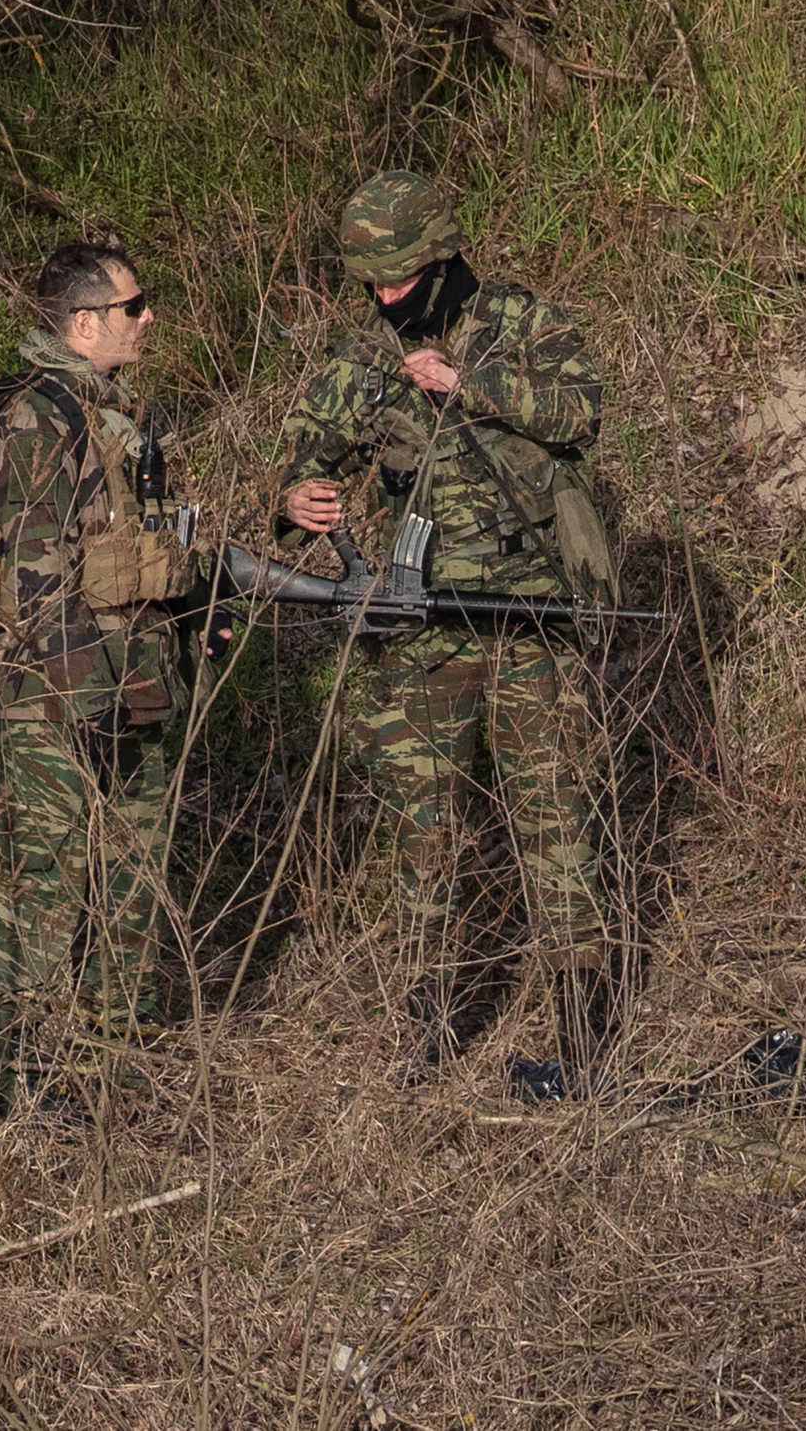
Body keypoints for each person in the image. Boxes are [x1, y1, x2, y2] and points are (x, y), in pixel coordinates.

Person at [274, 171, 620, 1099]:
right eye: (371, 283)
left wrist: (472, 386)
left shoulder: (521, 323)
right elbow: (305, 449)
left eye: (400, 278)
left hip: (532, 621)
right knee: (422, 833)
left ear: (442, 254)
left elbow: (583, 411)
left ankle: (586, 1040)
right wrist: (296, 497)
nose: (385, 297)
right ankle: (424, 1031)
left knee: (558, 828)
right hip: (420, 629)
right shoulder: (366, 353)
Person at [0, 241, 200, 1118]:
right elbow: (32, 587)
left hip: (132, 683)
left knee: (134, 880)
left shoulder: (118, 416)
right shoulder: (37, 421)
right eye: (134, 307)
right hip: (59, 698)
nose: (149, 320)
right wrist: (84, 699)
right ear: (84, 322)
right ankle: (18, 1083)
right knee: (49, 884)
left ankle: (113, 1074)